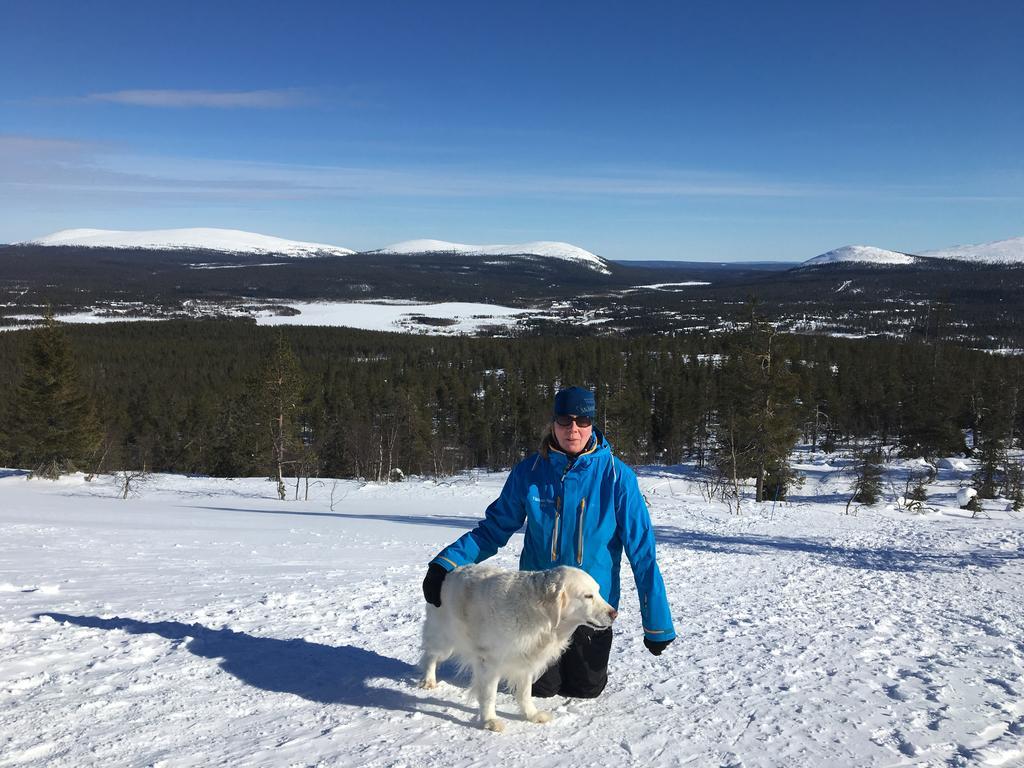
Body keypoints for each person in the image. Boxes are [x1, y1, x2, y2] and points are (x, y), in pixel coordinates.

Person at [422, 385, 675, 699]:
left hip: (588, 605)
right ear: (553, 423)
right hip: (537, 607)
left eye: (582, 421)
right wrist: (445, 563)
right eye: (565, 420)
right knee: (542, 688)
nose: (573, 429)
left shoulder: (617, 477)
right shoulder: (529, 472)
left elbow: (643, 553)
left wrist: (657, 623)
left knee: (586, 689)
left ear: (592, 423)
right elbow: (493, 530)